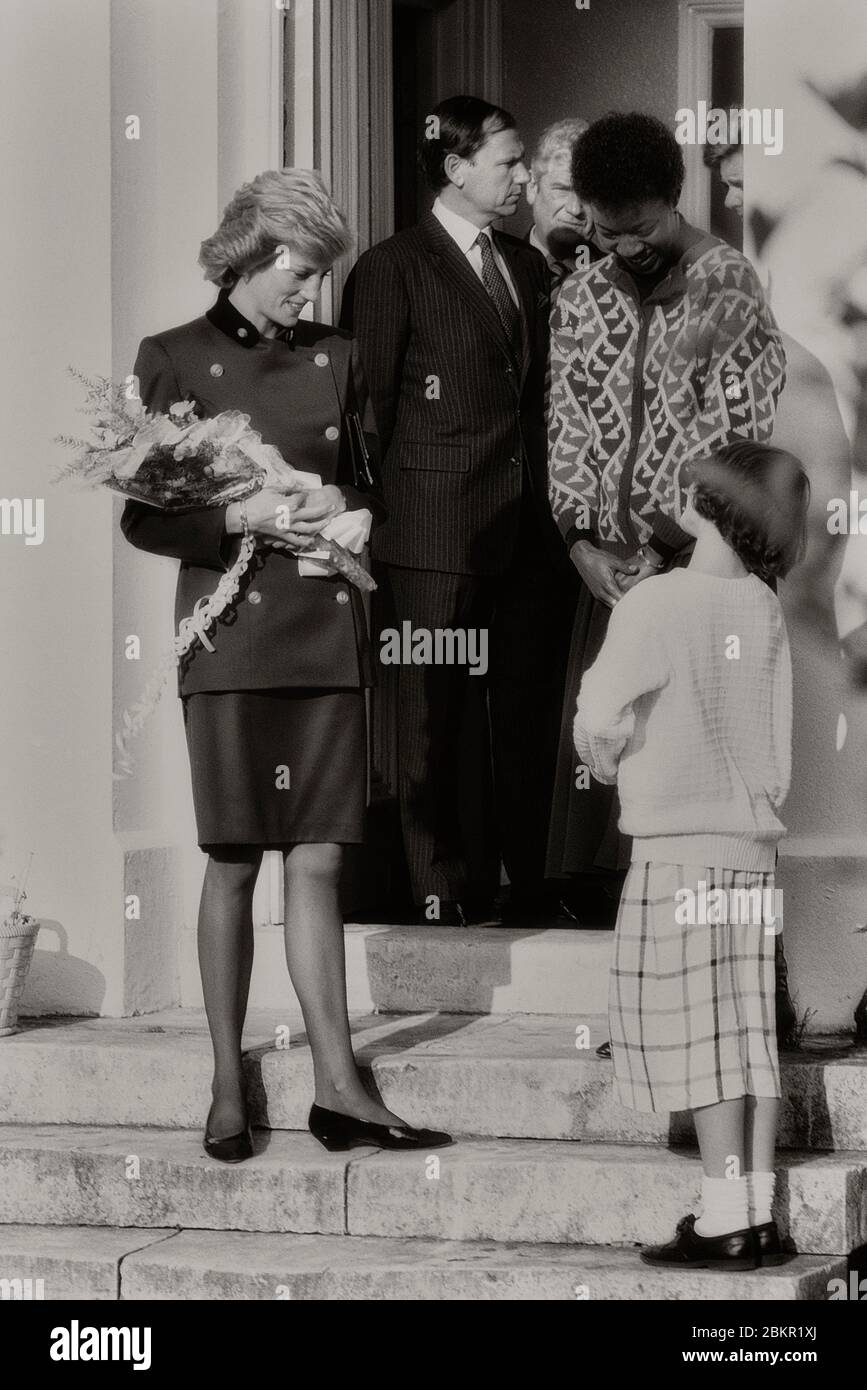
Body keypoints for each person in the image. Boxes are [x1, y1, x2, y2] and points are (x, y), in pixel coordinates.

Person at [121, 169, 450, 1160]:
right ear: (248, 255)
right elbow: (143, 516)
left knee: (319, 858)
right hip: (229, 638)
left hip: (322, 627)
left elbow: (370, 479)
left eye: (317, 277)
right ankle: (228, 1082)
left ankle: (340, 1086)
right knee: (232, 858)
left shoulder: (338, 356)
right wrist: (238, 516)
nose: (310, 293)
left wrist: (351, 510)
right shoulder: (172, 356)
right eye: (299, 273)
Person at [546, 112, 787, 941]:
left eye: (639, 228)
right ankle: (619, 939)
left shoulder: (728, 285)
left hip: (696, 571)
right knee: (609, 743)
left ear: (672, 199)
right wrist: (579, 541)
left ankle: (691, 945)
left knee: (686, 757)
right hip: (606, 569)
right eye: (604, 231)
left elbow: (736, 435)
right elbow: (566, 422)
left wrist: (657, 547)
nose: (623, 247)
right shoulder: (579, 296)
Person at [574, 441, 810, 1269]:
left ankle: (721, 1218)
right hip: (750, 851)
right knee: (748, 1035)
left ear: (712, 503)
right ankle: (755, 1214)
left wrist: (606, 761)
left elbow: (598, 715)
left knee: (704, 1041)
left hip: (679, 850)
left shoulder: (656, 602)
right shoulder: (762, 606)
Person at [347, 96, 578, 926]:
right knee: (429, 714)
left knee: (526, 712)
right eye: (508, 162)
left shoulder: (525, 265)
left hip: (528, 535)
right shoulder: (391, 268)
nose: (522, 178)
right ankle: (436, 888)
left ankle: (525, 884)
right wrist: (367, 521)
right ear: (455, 168)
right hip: (430, 536)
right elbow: (365, 410)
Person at [525, 118, 602, 295]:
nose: (575, 209)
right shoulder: (499, 271)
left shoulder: (621, 279)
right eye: (562, 190)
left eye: (588, 194)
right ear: (532, 187)